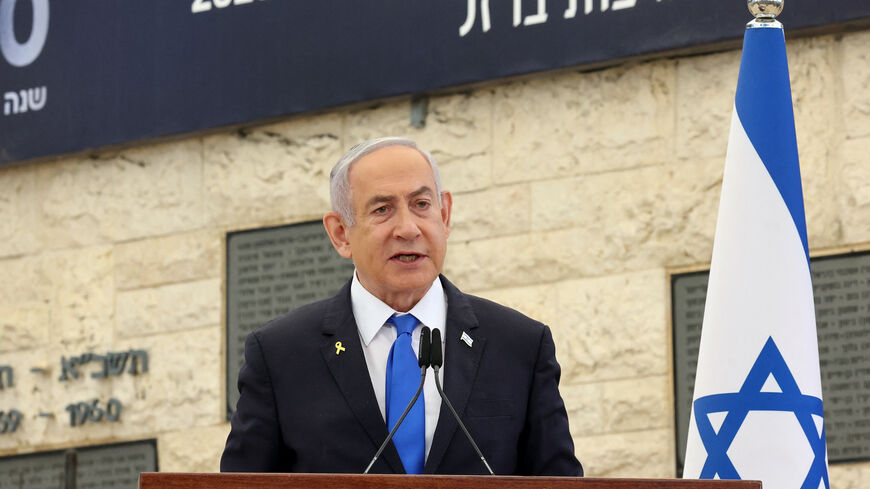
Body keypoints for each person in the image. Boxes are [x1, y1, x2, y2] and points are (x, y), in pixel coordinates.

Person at [221, 137, 582, 476]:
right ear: (340, 234)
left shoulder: (520, 345)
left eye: (422, 205)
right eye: (382, 209)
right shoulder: (280, 354)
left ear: (445, 215)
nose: (408, 228)